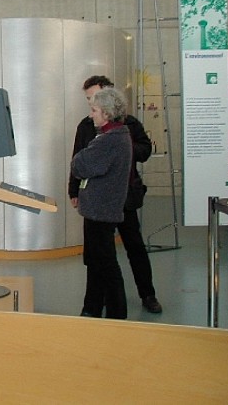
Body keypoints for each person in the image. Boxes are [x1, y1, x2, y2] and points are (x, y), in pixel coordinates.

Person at [69, 75, 162, 314]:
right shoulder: (89, 127)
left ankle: (146, 295)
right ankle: (93, 304)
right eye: (89, 100)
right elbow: (77, 157)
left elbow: (83, 161)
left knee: (131, 249)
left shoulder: (123, 130)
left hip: (122, 198)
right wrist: (74, 189)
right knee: (97, 256)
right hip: (99, 200)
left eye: (95, 102)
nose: (91, 108)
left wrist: (118, 153)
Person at [71, 87, 132, 319]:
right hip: (101, 210)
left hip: (101, 211)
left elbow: (79, 165)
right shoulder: (116, 136)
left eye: (94, 110)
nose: (91, 115)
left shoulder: (109, 140)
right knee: (96, 263)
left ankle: (117, 314)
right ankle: (92, 307)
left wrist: (81, 157)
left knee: (105, 264)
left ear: (106, 113)